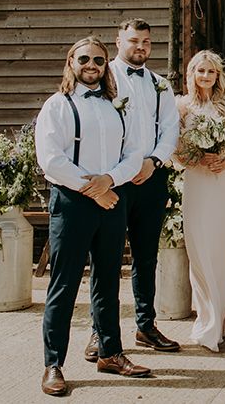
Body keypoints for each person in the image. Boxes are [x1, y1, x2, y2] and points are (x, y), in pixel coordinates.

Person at [35, 37, 148, 397]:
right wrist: (94, 188)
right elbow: (51, 159)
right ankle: (53, 363)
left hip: (113, 199)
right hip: (73, 202)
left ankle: (111, 352)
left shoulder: (118, 105)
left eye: (98, 60)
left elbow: (134, 153)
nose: (92, 65)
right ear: (71, 62)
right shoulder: (58, 105)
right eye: (84, 59)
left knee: (108, 280)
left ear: (105, 65)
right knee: (64, 285)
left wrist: (110, 181)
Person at [84, 19, 181, 362]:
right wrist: (117, 171)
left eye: (146, 42)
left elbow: (171, 128)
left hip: (151, 178)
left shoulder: (160, 84)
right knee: (106, 259)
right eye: (133, 40)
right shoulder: (103, 77)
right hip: (114, 181)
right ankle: (100, 332)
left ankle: (146, 325)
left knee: (146, 256)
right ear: (118, 41)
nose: (140, 47)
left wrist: (154, 160)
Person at [175, 50, 225, 352]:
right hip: (197, 183)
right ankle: (205, 320)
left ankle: (220, 320)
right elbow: (175, 149)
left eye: (211, 72)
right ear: (192, 74)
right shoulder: (182, 106)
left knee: (223, 249)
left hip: (222, 184)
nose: (205, 76)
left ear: (218, 76)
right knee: (200, 249)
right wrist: (194, 158)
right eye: (200, 71)